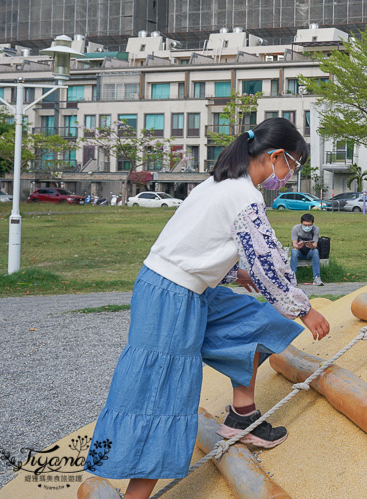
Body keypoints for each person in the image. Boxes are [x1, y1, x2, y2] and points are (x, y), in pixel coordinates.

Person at [86, 118, 330, 499]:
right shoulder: (243, 196)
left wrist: (236, 273)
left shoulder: (224, 184)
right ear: (275, 156)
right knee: (161, 397)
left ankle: (242, 416)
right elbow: (270, 263)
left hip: (192, 289)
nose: (289, 178)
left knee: (259, 320)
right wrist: (303, 309)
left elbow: (198, 240)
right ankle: (136, 495)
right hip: (170, 296)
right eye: (293, 168)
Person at [290, 213, 323, 286]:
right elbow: (294, 244)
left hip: (309, 251)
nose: (307, 227)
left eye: (309, 225)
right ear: (301, 223)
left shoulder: (315, 229)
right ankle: (292, 277)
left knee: (315, 251)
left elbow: (315, 245)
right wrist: (298, 246)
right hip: (299, 251)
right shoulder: (295, 228)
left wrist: (311, 246)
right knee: (294, 251)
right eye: (305, 225)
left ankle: (316, 277)